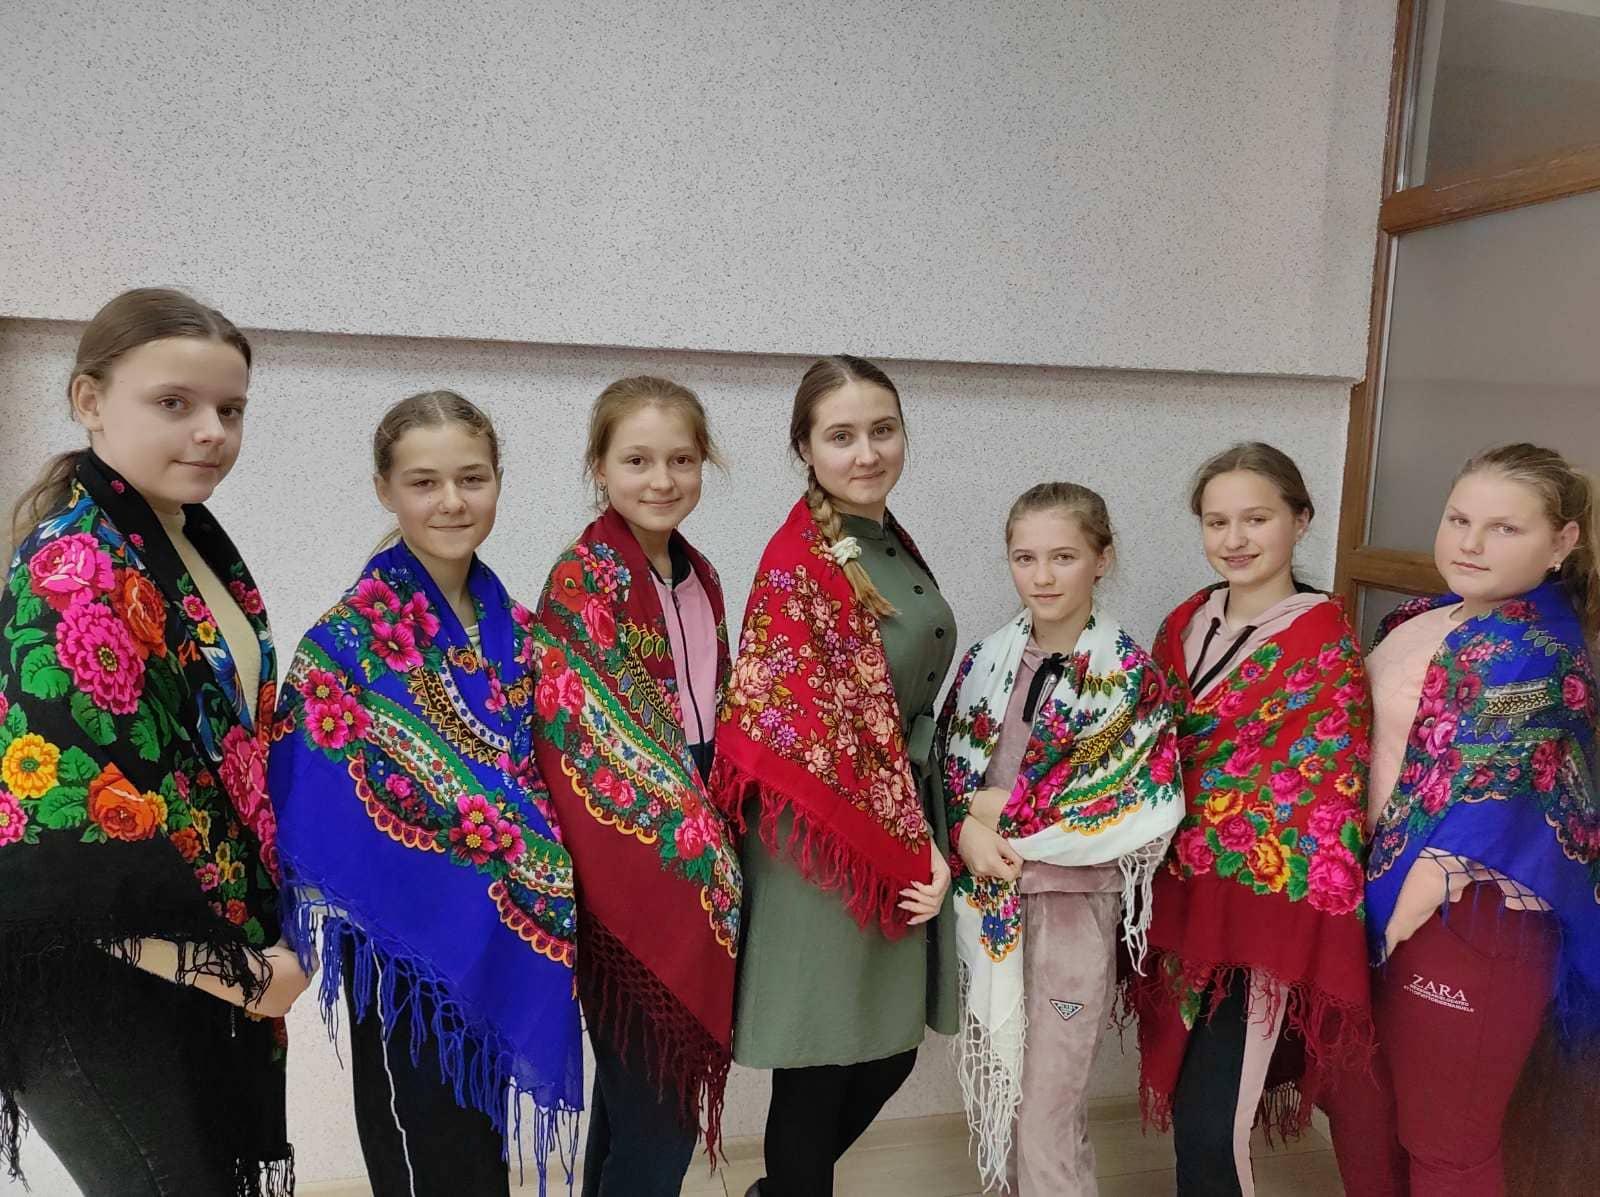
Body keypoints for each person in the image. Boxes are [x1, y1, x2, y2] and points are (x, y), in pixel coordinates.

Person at [0, 287, 303, 1195]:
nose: (211, 431)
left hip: (191, 958)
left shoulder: (188, 540)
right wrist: (236, 972)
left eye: (230, 409)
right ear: (89, 400)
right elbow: (64, 838)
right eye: (174, 402)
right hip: (92, 979)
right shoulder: (76, 566)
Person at [270, 390, 583, 1196]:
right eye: (423, 482)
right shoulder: (343, 645)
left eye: (472, 478)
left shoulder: (520, 630)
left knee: (479, 1158)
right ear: (385, 488)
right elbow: (311, 801)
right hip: (403, 955)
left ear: (498, 480)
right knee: (426, 1159)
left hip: (496, 946)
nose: (452, 501)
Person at [714, 355, 955, 1197]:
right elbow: (805, 727)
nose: (866, 452)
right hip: (821, 834)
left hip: (885, 809)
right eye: (841, 435)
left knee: (883, 1050)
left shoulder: (881, 540)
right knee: (819, 1062)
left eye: (882, 430)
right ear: (805, 448)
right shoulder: (800, 560)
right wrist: (915, 840)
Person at [1129, 442, 1375, 1197]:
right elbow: (1145, 746)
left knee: (1215, 1124)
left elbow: (1324, 798)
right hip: (1176, 899)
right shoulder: (1184, 621)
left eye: (1256, 518)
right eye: (1217, 522)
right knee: (1188, 1106)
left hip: (1262, 920)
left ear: (1301, 519)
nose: (1234, 539)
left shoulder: (1322, 643)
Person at [1363, 443, 1599, 1195]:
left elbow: (1482, 804)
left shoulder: (1538, 652)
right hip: (1389, 894)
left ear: (1562, 541)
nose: (1470, 543)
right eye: (1458, 519)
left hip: (1467, 914)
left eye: (1504, 528)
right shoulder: (1424, 616)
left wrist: (1388, 922)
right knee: (1377, 1113)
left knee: (1447, 1141)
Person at [529, 377, 741, 1196]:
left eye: (681, 460)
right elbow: (583, 753)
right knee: (659, 1120)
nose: (662, 480)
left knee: (632, 1112)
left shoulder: (702, 573)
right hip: (628, 882)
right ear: (601, 467)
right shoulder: (584, 579)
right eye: (638, 460)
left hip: (700, 858)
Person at [941, 482, 1184, 1195]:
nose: (1042, 576)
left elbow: (1133, 803)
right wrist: (966, 829)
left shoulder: (1129, 676)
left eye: (1063, 556)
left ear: (1101, 560)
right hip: (990, 908)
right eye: (1025, 557)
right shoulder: (986, 661)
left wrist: (996, 809)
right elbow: (942, 773)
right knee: (1007, 1092)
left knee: (1049, 1109)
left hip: (1074, 913)